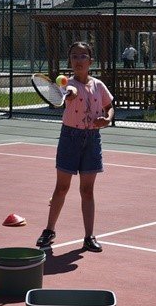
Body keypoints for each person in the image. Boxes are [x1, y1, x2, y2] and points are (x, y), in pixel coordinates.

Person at [35, 41, 113, 253]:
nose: (78, 60)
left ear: (91, 61)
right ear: (70, 60)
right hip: (70, 137)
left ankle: (89, 236)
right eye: (74, 56)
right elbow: (68, 92)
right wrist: (69, 93)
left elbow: (109, 106)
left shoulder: (98, 85)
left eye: (83, 56)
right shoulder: (66, 84)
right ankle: (49, 231)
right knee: (62, 187)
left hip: (92, 139)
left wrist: (106, 119)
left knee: (87, 190)